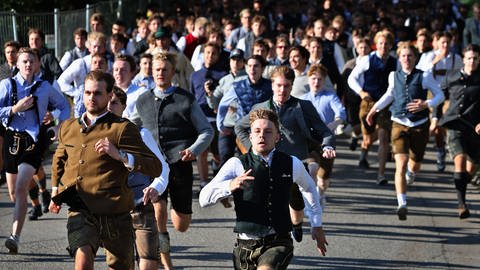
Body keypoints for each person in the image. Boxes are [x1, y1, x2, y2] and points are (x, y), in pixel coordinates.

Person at [48, 70, 162, 269]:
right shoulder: (68, 127)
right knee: (82, 259)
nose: (92, 98)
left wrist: (121, 156)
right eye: (88, 92)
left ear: (110, 96)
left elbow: (155, 166)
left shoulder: (122, 128)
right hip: (81, 208)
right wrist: (55, 192)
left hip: (115, 211)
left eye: (98, 93)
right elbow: (59, 159)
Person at [200, 108, 328, 270]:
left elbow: (309, 188)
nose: (262, 135)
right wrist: (229, 186)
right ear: (251, 136)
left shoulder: (292, 163)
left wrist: (316, 224)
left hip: (278, 241)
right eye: (257, 131)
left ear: (277, 137)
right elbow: (204, 199)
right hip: (245, 246)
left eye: (268, 132)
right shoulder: (236, 164)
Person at [131, 52, 213, 269]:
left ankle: (169, 236)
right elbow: (130, 126)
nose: (160, 73)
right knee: (158, 213)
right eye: (156, 69)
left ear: (172, 72)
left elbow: (206, 130)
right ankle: (166, 263)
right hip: (155, 167)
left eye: (164, 69)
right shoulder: (143, 99)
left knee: (181, 224)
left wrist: (194, 149)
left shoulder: (185, 99)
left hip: (180, 164)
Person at [235, 66, 335, 243]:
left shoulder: (303, 106)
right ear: (272, 85)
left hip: (296, 159)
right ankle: (269, 234)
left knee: (295, 201)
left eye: (287, 86)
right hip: (269, 161)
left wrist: (327, 146)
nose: (282, 90)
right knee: (268, 198)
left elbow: (325, 132)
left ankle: (296, 224)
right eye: (279, 85)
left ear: (292, 86)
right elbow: (240, 127)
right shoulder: (261, 108)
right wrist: (252, 148)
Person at [1, 47, 70, 254]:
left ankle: (15, 237)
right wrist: (14, 109)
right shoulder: (7, 85)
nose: (28, 65)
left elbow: (64, 106)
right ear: (18, 64)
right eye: (24, 61)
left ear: (38, 64)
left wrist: (58, 124)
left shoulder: (44, 87)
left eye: (32, 61)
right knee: (15, 193)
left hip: (34, 139)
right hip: (12, 139)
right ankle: (35, 196)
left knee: (21, 187)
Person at [366, 44, 444, 220]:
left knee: (415, 163)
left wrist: (426, 104)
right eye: (403, 56)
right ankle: (402, 203)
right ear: (399, 58)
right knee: (400, 163)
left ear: (415, 58)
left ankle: (412, 172)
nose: (406, 59)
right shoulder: (394, 76)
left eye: (410, 56)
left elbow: (440, 95)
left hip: (420, 124)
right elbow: (389, 95)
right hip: (399, 122)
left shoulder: (423, 75)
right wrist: (374, 110)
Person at [107, 87, 169, 270]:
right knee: (120, 264)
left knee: (149, 260)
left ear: (124, 106)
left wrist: (156, 187)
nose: (110, 106)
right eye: (107, 102)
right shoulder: (92, 135)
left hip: (140, 205)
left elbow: (162, 168)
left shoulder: (140, 134)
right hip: (112, 210)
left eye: (115, 103)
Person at [348, 30, 398, 185]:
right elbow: (352, 78)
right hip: (368, 102)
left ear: (391, 45)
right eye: (381, 43)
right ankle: (364, 149)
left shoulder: (395, 62)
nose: (383, 46)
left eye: (387, 44)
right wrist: (361, 92)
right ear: (377, 45)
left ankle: (381, 174)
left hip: (386, 103)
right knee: (368, 137)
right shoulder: (367, 60)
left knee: (383, 138)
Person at [436, 44, 480, 219]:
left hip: (475, 130)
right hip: (455, 125)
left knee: (470, 169)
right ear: (464, 59)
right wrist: (434, 118)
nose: (472, 61)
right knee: (459, 161)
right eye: (469, 58)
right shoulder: (451, 76)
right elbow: (439, 98)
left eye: (475, 58)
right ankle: (462, 204)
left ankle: (462, 181)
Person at [300, 64, 346, 208]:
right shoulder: (302, 99)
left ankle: (321, 191)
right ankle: (311, 199)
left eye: (320, 79)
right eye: (313, 79)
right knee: (312, 167)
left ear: (324, 80)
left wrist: (332, 125)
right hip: (309, 141)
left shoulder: (330, 96)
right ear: (308, 79)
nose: (316, 82)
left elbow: (341, 113)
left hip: (327, 140)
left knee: (324, 178)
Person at [416, 31, 462, 172]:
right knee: (435, 126)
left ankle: (448, 147)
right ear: (437, 43)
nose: (445, 45)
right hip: (433, 93)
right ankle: (440, 150)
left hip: (449, 94)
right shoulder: (429, 56)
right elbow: (420, 73)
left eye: (448, 42)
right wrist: (435, 61)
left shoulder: (456, 58)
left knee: (444, 123)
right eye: (442, 42)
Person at [189, 42, 227, 189]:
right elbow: (192, 96)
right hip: (200, 118)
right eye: (207, 52)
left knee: (217, 154)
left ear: (218, 56)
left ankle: (216, 166)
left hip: (216, 118)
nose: (210, 56)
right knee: (202, 152)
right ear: (203, 54)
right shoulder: (195, 75)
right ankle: (204, 182)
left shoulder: (223, 75)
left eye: (213, 53)